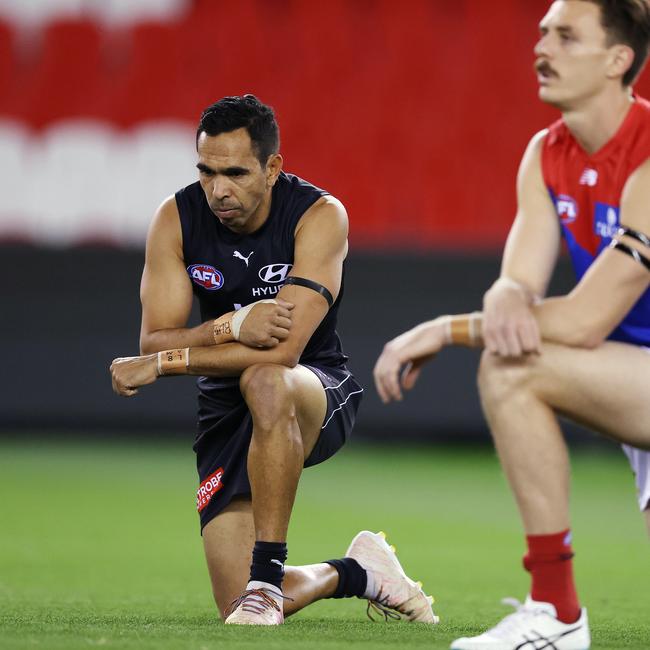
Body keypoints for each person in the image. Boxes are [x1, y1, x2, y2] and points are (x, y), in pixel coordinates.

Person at [374, 1, 650, 648]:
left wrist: (446, 328)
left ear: (619, 60)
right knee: (509, 364)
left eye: (565, 35)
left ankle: (555, 617)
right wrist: (505, 294)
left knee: (509, 365)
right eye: (542, 31)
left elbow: (584, 321)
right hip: (635, 384)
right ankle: (555, 611)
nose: (542, 46)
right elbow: (519, 286)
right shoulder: (545, 155)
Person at [109, 95, 437, 626]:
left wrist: (169, 363)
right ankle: (359, 572)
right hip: (224, 401)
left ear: (272, 167)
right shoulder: (176, 217)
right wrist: (229, 325)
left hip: (315, 386)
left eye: (235, 172)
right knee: (232, 607)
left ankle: (267, 578)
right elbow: (153, 339)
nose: (218, 190)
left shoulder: (318, 215)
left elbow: (281, 351)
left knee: (266, 377)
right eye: (207, 171)